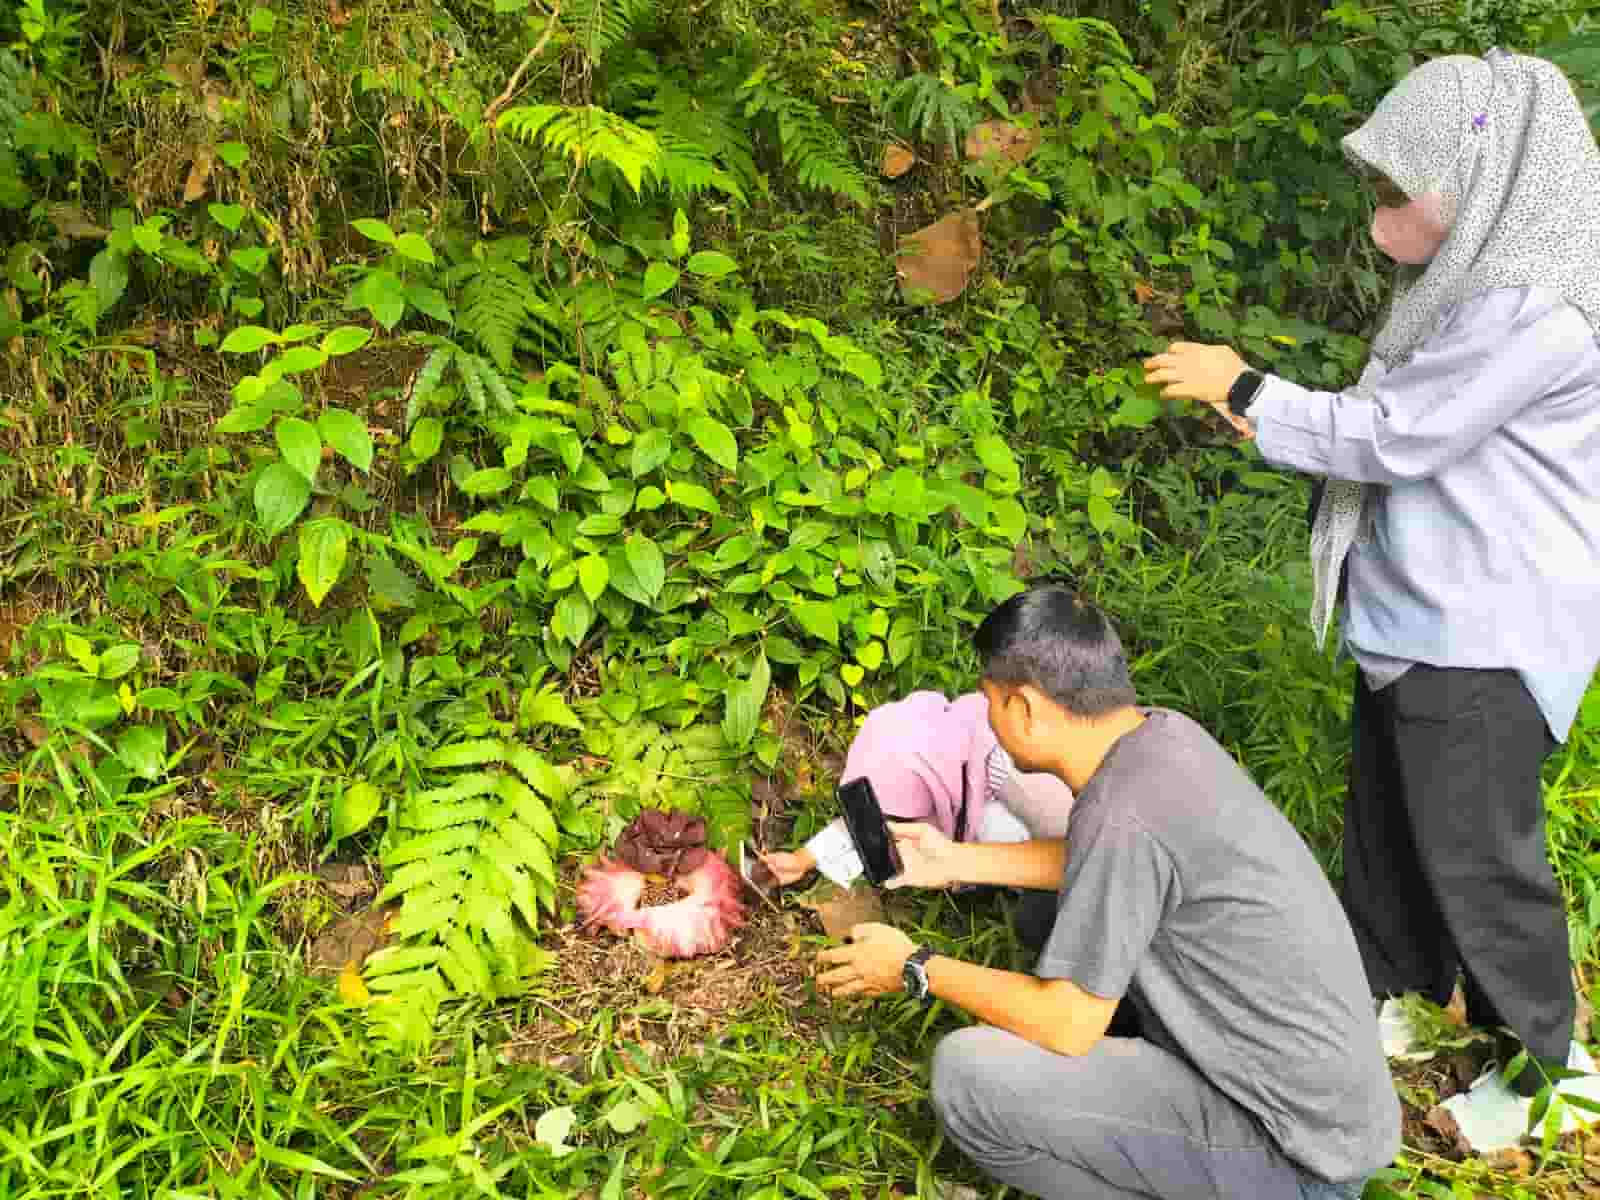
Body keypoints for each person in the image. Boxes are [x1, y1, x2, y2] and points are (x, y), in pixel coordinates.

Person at [1143, 49, 1600, 1111]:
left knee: (1479, 857)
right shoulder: (1473, 284)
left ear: (1480, 180)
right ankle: (1388, 986)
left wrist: (1249, 385)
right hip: (1418, 616)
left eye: (1398, 189)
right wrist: (1267, 414)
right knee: (1390, 824)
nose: (1382, 213)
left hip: (1481, 626)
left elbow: (1400, 434)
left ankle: (1549, 1070)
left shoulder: (1535, 308)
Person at [815, 585, 1399, 1200]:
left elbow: (1064, 1024)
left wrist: (914, 966)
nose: (986, 719)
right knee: (1047, 914)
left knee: (968, 1078)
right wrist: (954, 858)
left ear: (1025, 709)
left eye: (989, 703)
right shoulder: (1162, 741)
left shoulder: (1123, 813)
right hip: (1327, 1109)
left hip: (1292, 1155)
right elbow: (1106, 856)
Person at [759, 690, 1074, 948]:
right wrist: (801, 860)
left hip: (1066, 867)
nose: (888, 826)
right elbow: (873, 814)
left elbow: (1078, 854)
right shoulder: (914, 748)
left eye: (897, 815)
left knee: (1034, 921)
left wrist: (964, 868)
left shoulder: (1017, 771)